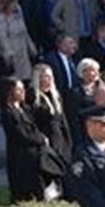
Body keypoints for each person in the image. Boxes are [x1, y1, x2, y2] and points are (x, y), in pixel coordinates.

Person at [1, 77, 59, 201]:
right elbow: (21, 135)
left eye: (23, 89)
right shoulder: (8, 113)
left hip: (35, 156)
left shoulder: (24, 108)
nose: (22, 92)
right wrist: (41, 139)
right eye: (18, 89)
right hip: (21, 157)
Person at [29, 64, 73, 194]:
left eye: (50, 77)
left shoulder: (55, 95)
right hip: (47, 139)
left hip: (60, 139)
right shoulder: (33, 96)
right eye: (45, 77)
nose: (48, 80)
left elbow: (62, 119)